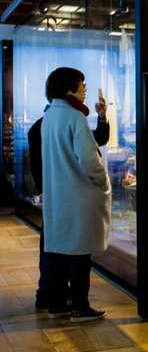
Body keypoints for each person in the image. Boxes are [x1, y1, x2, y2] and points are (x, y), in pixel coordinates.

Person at [40, 67, 111, 322]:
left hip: (59, 196)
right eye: (82, 85)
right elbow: (90, 160)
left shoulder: (50, 117)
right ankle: (80, 306)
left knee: (60, 253)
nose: (85, 90)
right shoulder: (75, 118)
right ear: (69, 89)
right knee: (81, 255)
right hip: (80, 196)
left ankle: (57, 304)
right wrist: (103, 181)